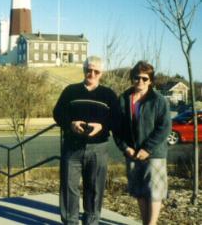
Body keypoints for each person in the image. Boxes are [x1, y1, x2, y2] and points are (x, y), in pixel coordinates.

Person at [53, 56, 119, 225]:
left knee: (95, 188)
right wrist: (70, 124)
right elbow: (58, 113)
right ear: (84, 70)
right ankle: (70, 221)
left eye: (96, 71)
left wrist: (102, 127)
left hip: (98, 148)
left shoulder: (108, 94)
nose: (92, 73)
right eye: (89, 70)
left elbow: (117, 119)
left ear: (101, 73)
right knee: (69, 188)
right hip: (72, 147)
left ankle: (91, 221)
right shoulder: (70, 91)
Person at [114, 61, 171, 225]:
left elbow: (164, 127)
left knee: (154, 193)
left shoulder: (159, 101)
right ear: (132, 78)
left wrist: (147, 148)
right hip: (132, 153)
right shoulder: (124, 99)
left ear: (151, 81)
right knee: (139, 192)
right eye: (136, 78)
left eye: (145, 79)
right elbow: (117, 128)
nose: (140, 81)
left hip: (154, 154)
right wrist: (125, 148)